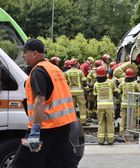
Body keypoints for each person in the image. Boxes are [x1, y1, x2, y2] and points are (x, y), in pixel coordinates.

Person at [13, 38, 77, 168]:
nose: (24, 56)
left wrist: (35, 129)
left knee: (22, 164)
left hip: (44, 128)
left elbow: (40, 101)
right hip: (62, 126)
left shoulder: (38, 71)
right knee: (60, 163)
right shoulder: (55, 69)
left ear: (35, 53)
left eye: (25, 52)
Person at [93, 66, 117, 145]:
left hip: (100, 106)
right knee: (110, 122)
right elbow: (115, 91)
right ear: (105, 73)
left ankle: (100, 140)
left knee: (101, 122)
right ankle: (110, 140)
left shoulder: (96, 84)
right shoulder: (110, 82)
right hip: (109, 106)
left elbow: (95, 94)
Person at [65, 58, 89, 126]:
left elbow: (65, 83)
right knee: (82, 106)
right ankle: (83, 122)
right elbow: (84, 82)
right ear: (76, 64)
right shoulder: (80, 72)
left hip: (71, 92)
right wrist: (87, 89)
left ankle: (72, 121)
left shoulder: (67, 73)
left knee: (72, 107)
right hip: (80, 92)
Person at [118, 68, 140, 135]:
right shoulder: (134, 83)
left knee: (123, 118)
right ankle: (132, 132)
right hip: (132, 104)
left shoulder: (123, 83)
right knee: (132, 118)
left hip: (124, 104)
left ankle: (121, 132)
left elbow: (118, 90)